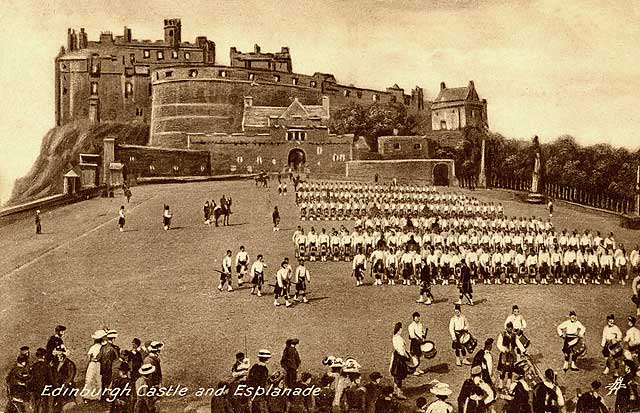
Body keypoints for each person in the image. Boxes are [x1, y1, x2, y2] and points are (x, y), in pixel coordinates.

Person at [50, 346, 76, 413]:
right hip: (57, 386)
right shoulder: (56, 363)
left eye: (60, 355)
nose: (59, 357)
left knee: (68, 404)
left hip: (66, 387)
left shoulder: (69, 364)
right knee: (57, 404)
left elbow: (71, 375)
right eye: (57, 355)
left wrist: (65, 383)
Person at [82, 330, 105, 403]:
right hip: (96, 364)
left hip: (95, 364)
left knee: (93, 379)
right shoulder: (99, 347)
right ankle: (92, 396)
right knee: (93, 379)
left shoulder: (98, 347)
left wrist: (93, 359)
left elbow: (89, 356)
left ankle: (93, 396)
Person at [389, 322, 410, 400]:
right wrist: (408, 357)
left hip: (396, 356)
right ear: (399, 329)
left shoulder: (394, 337)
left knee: (395, 375)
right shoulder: (399, 338)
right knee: (399, 375)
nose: (402, 330)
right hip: (400, 358)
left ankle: (395, 390)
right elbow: (402, 351)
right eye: (401, 329)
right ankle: (398, 393)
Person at [497, 322, 520, 390]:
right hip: (504, 354)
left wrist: (523, 350)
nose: (509, 329)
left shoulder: (514, 335)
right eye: (508, 327)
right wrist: (504, 349)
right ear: (506, 328)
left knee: (510, 370)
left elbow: (518, 343)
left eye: (511, 328)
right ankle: (500, 384)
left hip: (511, 355)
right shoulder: (502, 334)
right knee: (502, 369)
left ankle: (508, 384)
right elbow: (499, 344)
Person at [30, 347, 53, 413]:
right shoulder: (47, 366)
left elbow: (31, 377)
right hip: (44, 388)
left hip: (35, 388)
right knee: (45, 406)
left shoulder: (34, 366)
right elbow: (50, 378)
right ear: (44, 356)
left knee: (36, 406)